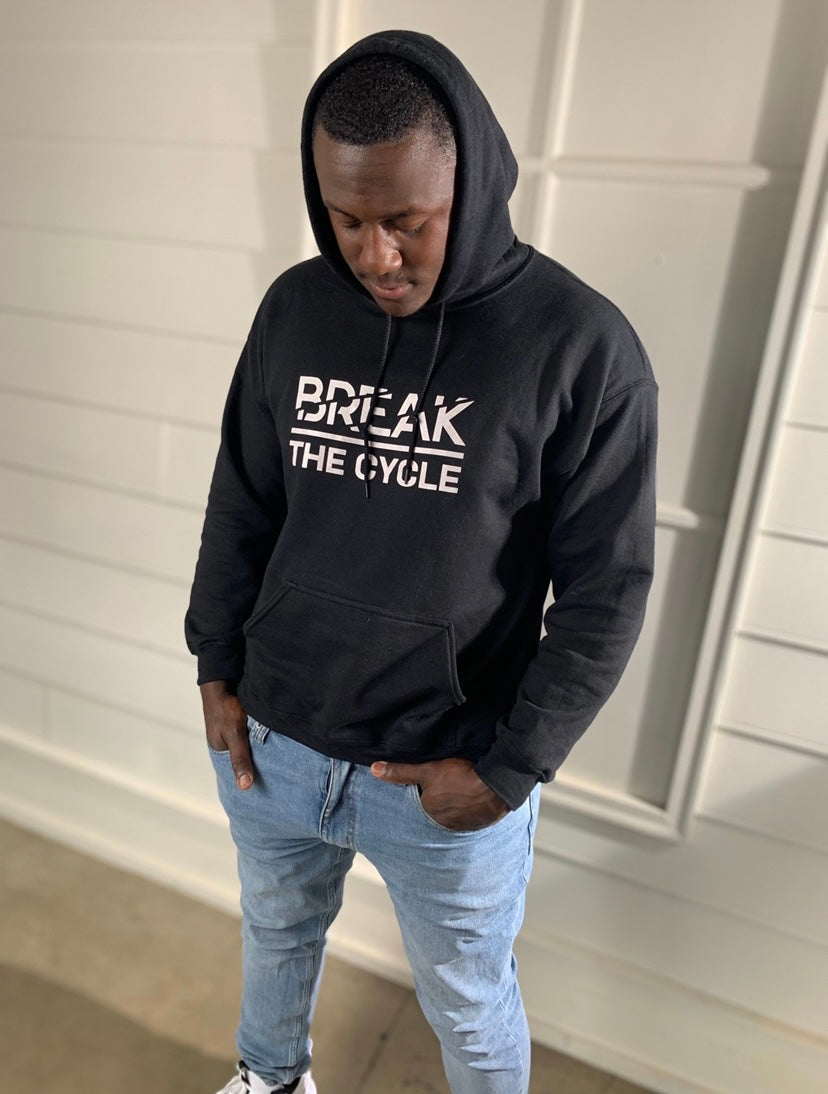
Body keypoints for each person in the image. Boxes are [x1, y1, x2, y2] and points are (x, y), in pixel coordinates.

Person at [185, 29, 657, 1094]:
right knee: (275, 933)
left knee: (468, 1001)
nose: (376, 256)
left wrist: (511, 767)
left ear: (469, 184)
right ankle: (271, 1078)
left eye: (407, 222)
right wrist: (215, 665)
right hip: (275, 741)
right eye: (347, 220)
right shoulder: (296, 310)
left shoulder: (580, 346)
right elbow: (242, 498)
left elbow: (607, 589)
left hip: (444, 773)